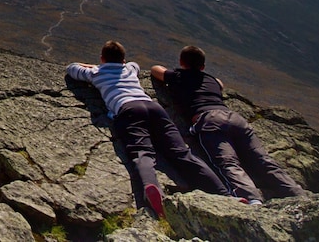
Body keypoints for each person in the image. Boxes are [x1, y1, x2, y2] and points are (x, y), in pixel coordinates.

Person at [67, 41, 229, 219]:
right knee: (181, 152)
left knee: (142, 152)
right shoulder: (130, 69)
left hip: (128, 109)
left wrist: (95, 66)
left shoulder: (96, 73)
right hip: (154, 108)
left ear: (102, 58)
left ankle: (151, 188)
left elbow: (72, 68)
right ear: (123, 60)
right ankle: (224, 194)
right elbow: (135, 66)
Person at [150, 45, 305, 204]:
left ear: (181, 62)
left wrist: (178, 73)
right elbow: (220, 83)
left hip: (210, 120)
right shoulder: (212, 81)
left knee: (228, 163)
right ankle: (297, 194)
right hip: (235, 119)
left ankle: (251, 199)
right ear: (203, 66)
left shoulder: (178, 76)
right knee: (263, 160)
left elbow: (156, 70)